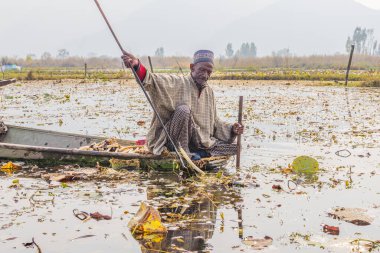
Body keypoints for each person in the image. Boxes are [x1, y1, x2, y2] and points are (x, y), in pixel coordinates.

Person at [122, 50, 243, 160]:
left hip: (199, 142)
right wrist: (136, 65)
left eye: (209, 72)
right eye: (202, 70)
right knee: (183, 110)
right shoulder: (179, 82)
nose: (205, 75)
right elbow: (152, 81)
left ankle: (200, 153)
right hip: (173, 140)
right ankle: (183, 152)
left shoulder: (209, 92)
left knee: (236, 148)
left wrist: (232, 128)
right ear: (192, 67)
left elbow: (214, 122)